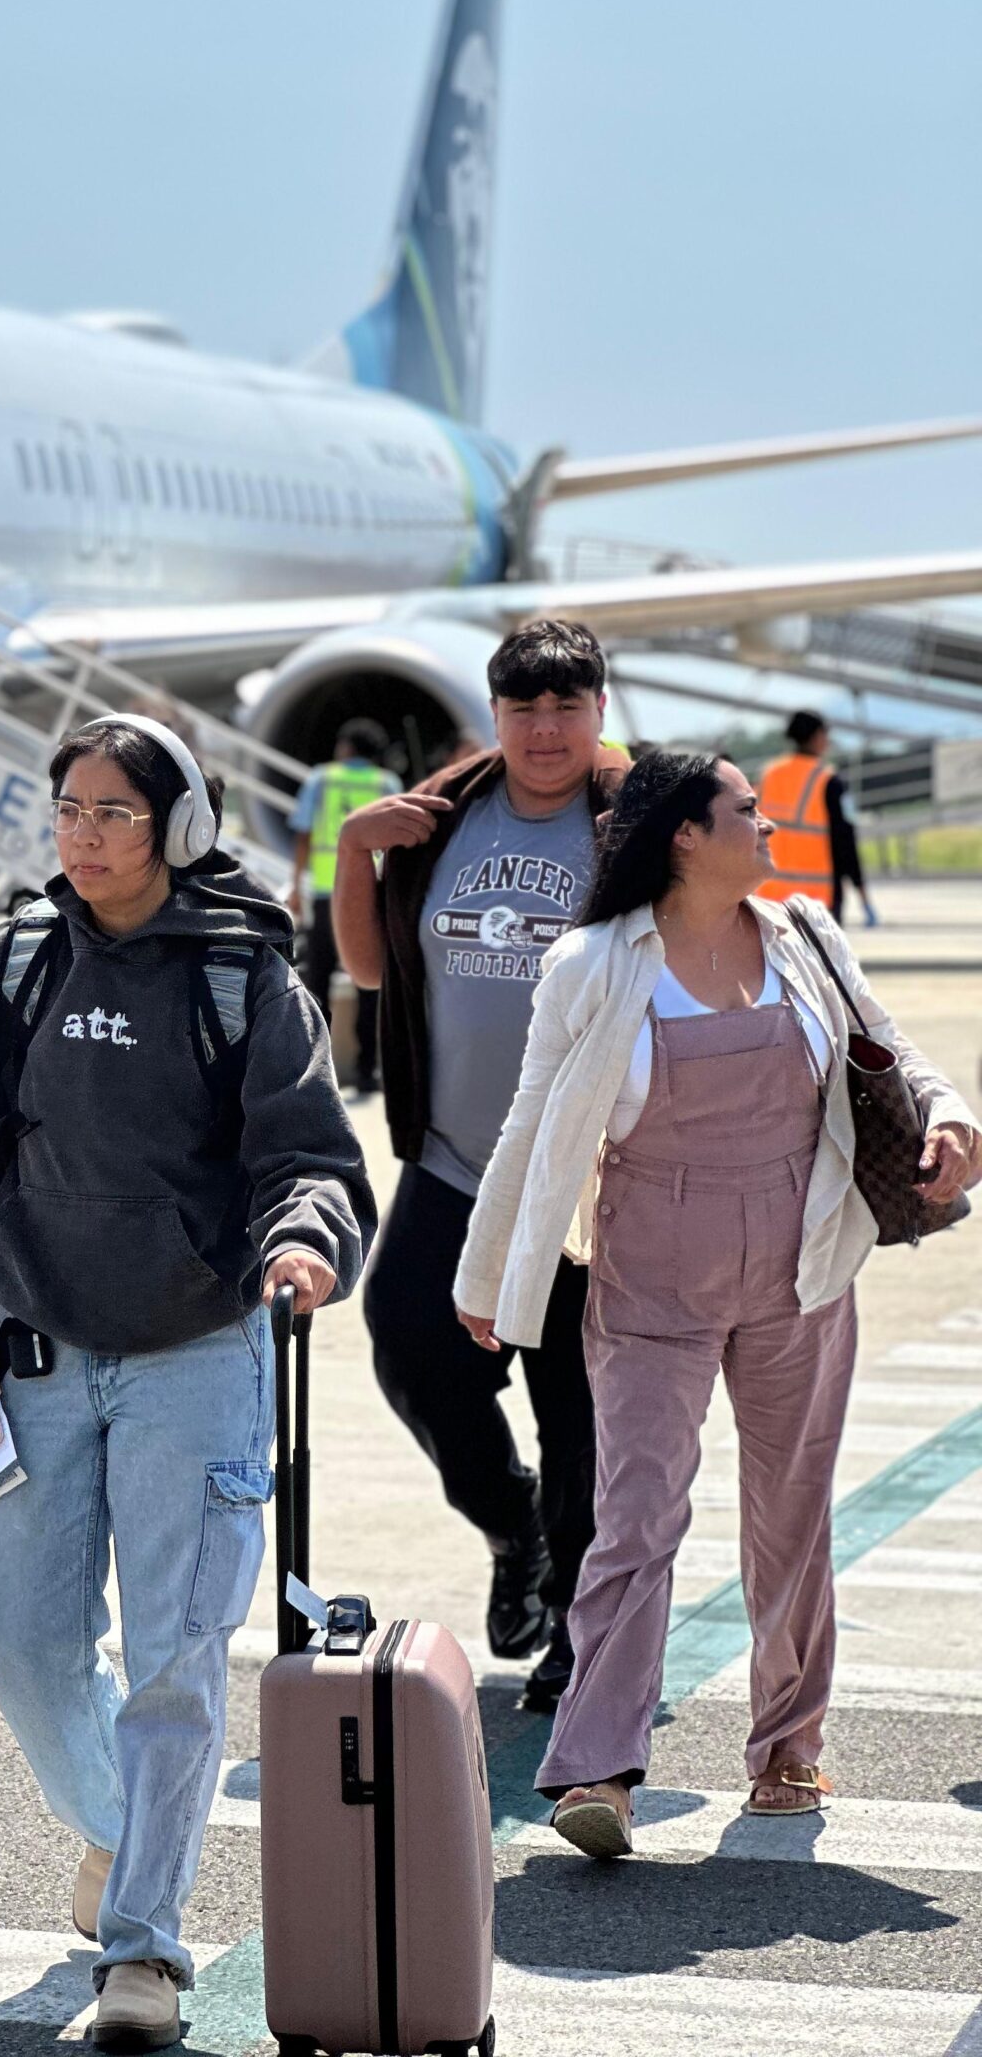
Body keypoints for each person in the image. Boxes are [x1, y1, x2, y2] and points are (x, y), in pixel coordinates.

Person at [0, 713, 373, 2054]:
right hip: (33, 1352)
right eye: (70, 810)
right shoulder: (12, 969)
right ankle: (124, 1832)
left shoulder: (240, 977)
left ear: (180, 827)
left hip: (197, 1358)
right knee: (21, 1635)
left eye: (114, 812)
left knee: (175, 1661)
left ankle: (144, 1948)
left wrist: (303, 1240)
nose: (85, 835)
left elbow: (310, 1154)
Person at [454, 751, 981, 1857]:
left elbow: (893, 1046)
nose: (770, 822)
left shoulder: (803, 933)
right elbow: (530, 1122)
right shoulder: (593, 962)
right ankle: (599, 1767)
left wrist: (946, 1110)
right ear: (685, 835)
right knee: (637, 1517)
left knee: (791, 1515)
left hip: (805, 1263)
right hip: (653, 1271)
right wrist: (489, 1273)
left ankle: (788, 1745)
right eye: (748, 809)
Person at [333, 619, 625, 1713]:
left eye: (567, 706)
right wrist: (357, 849)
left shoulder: (636, 821)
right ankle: (516, 1532)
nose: (545, 730)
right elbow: (366, 967)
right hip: (457, 1161)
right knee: (412, 1349)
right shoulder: (441, 815)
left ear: (600, 708)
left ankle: (581, 1634)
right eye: (524, 708)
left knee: (579, 1408)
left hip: (587, 1181)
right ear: (495, 714)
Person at [288, 719, 398, 1093]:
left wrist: (296, 885)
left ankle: (316, 1068)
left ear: (345, 747)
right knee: (369, 981)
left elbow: (303, 832)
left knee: (317, 982)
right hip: (372, 896)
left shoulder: (321, 779)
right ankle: (368, 1070)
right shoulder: (387, 784)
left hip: (325, 891)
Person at [758, 710, 874, 923]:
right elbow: (845, 841)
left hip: (769, 898)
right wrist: (862, 893)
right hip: (817, 900)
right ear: (818, 736)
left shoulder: (770, 775)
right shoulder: (828, 781)